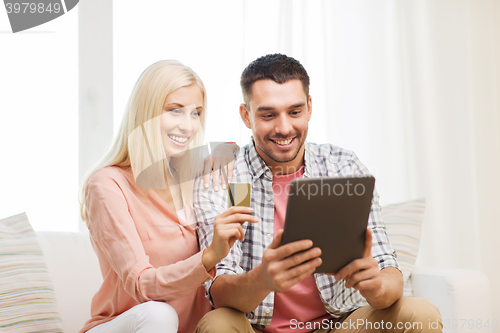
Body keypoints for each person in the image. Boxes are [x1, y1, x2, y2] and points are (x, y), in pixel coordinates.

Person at [194, 54, 443, 332]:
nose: (284, 128)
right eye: (268, 115)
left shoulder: (343, 166)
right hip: (256, 327)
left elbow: (387, 266)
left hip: (338, 325)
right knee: (217, 324)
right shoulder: (223, 175)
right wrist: (262, 279)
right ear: (246, 116)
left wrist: (376, 286)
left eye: (295, 111)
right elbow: (218, 288)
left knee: (419, 313)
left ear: (310, 108)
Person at [78, 60, 255, 333]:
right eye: (175, 111)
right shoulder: (107, 185)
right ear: (146, 113)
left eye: (196, 113)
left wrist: (228, 150)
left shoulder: (192, 175)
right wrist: (209, 257)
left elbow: (240, 155)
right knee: (158, 315)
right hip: (126, 325)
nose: (188, 126)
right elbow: (142, 285)